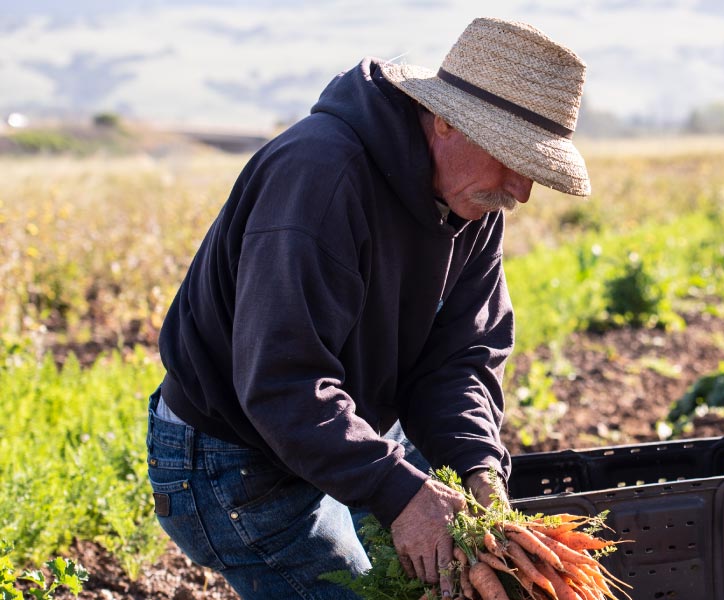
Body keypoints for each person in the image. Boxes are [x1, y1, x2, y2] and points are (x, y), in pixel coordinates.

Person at [146, 18, 589, 599]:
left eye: (532, 169)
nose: (521, 191)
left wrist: (480, 472)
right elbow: (281, 382)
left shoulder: (473, 203)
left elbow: (460, 360)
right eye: (510, 158)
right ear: (446, 120)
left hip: (338, 428)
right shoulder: (319, 178)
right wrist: (400, 493)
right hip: (233, 457)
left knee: (460, 573)